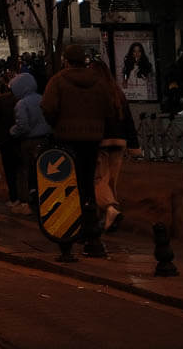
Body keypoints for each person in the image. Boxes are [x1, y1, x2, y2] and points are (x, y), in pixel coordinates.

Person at [41, 44, 116, 258]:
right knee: (87, 182)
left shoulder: (58, 81)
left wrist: (57, 124)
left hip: (66, 138)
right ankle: (90, 228)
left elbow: (48, 107)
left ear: (66, 60)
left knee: (68, 184)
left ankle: (72, 226)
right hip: (92, 138)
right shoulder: (99, 82)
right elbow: (109, 108)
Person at [93, 62, 138, 233]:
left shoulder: (95, 93)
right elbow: (128, 120)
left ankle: (111, 209)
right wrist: (134, 145)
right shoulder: (117, 92)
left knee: (98, 179)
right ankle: (108, 218)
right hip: (119, 143)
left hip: (102, 142)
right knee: (111, 181)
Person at [8, 68, 51, 216]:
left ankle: (26, 203)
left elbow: (23, 125)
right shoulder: (42, 98)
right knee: (43, 172)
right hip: (45, 140)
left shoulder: (21, 104)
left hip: (29, 142)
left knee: (25, 173)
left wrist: (12, 131)